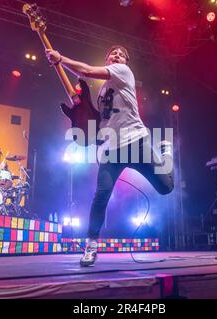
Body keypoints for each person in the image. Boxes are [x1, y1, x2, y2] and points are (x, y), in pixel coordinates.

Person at [46, 45, 175, 267]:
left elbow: (85, 71)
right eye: (112, 54)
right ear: (107, 60)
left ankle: (167, 153)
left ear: (125, 62)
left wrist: (61, 58)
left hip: (136, 142)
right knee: (101, 194)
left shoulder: (124, 73)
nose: (117, 56)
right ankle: (91, 245)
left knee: (166, 187)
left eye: (121, 55)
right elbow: (101, 122)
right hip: (112, 149)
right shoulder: (102, 91)